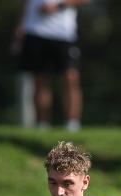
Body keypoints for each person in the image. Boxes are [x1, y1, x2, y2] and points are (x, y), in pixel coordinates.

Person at [14, 0, 89, 131]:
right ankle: (42, 124)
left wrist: (58, 6)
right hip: (35, 33)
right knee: (40, 81)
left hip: (64, 35)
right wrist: (20, 30)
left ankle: (72, 124)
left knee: (70, 78)